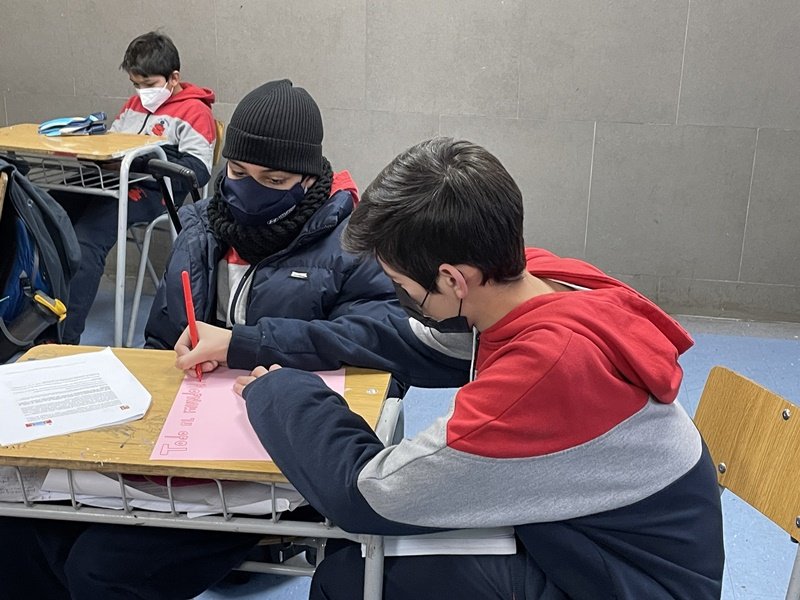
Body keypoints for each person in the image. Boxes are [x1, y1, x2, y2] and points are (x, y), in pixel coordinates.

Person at [0, 81, 466, 600]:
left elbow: (377, 347)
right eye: (238, 172)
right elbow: (161, 340)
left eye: (274, 179)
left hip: (272, 460)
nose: (249, 189)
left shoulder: (353, 246)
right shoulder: (201, 228)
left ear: (310, 177)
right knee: (20, 534)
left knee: (98, 569)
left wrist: (244, 344)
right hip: (177, 452)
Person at [234, 137, 726, 599]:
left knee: (350, 576)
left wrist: (281, 393)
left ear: (453, 279)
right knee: (363, 557)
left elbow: (369, 495)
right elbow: (403, 340)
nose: (399, 297)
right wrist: (249, 342)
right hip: (607, 542)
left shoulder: (543, 371)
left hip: (635, 582)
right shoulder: (536, 283)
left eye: (400, 284)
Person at [55, 30, 215, 344]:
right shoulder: (133, 105)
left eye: (149, 84)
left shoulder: (196, 112)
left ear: (173, 78)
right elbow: (112, 146)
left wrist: (141, 160)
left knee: (87, 236)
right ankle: (32, 312)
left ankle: (62, 338)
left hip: (155, 191)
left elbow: (195, 172)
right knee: (45, 209)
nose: (142, 92)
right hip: (112, 180)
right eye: (136, 84)